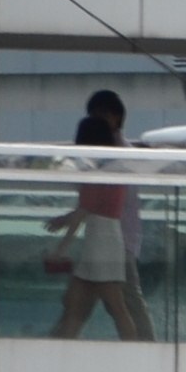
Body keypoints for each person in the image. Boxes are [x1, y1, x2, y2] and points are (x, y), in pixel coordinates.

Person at [43, 112, 152, 341]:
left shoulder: (98, 172)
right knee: (81, 303)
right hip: (105, 239)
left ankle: (135, 352)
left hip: (102, 243)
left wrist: (61, 249)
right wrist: (66, 223)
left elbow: (85, 210)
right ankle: (62, 348)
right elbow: (91, 208)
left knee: (114, 305)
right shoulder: (113, 169)